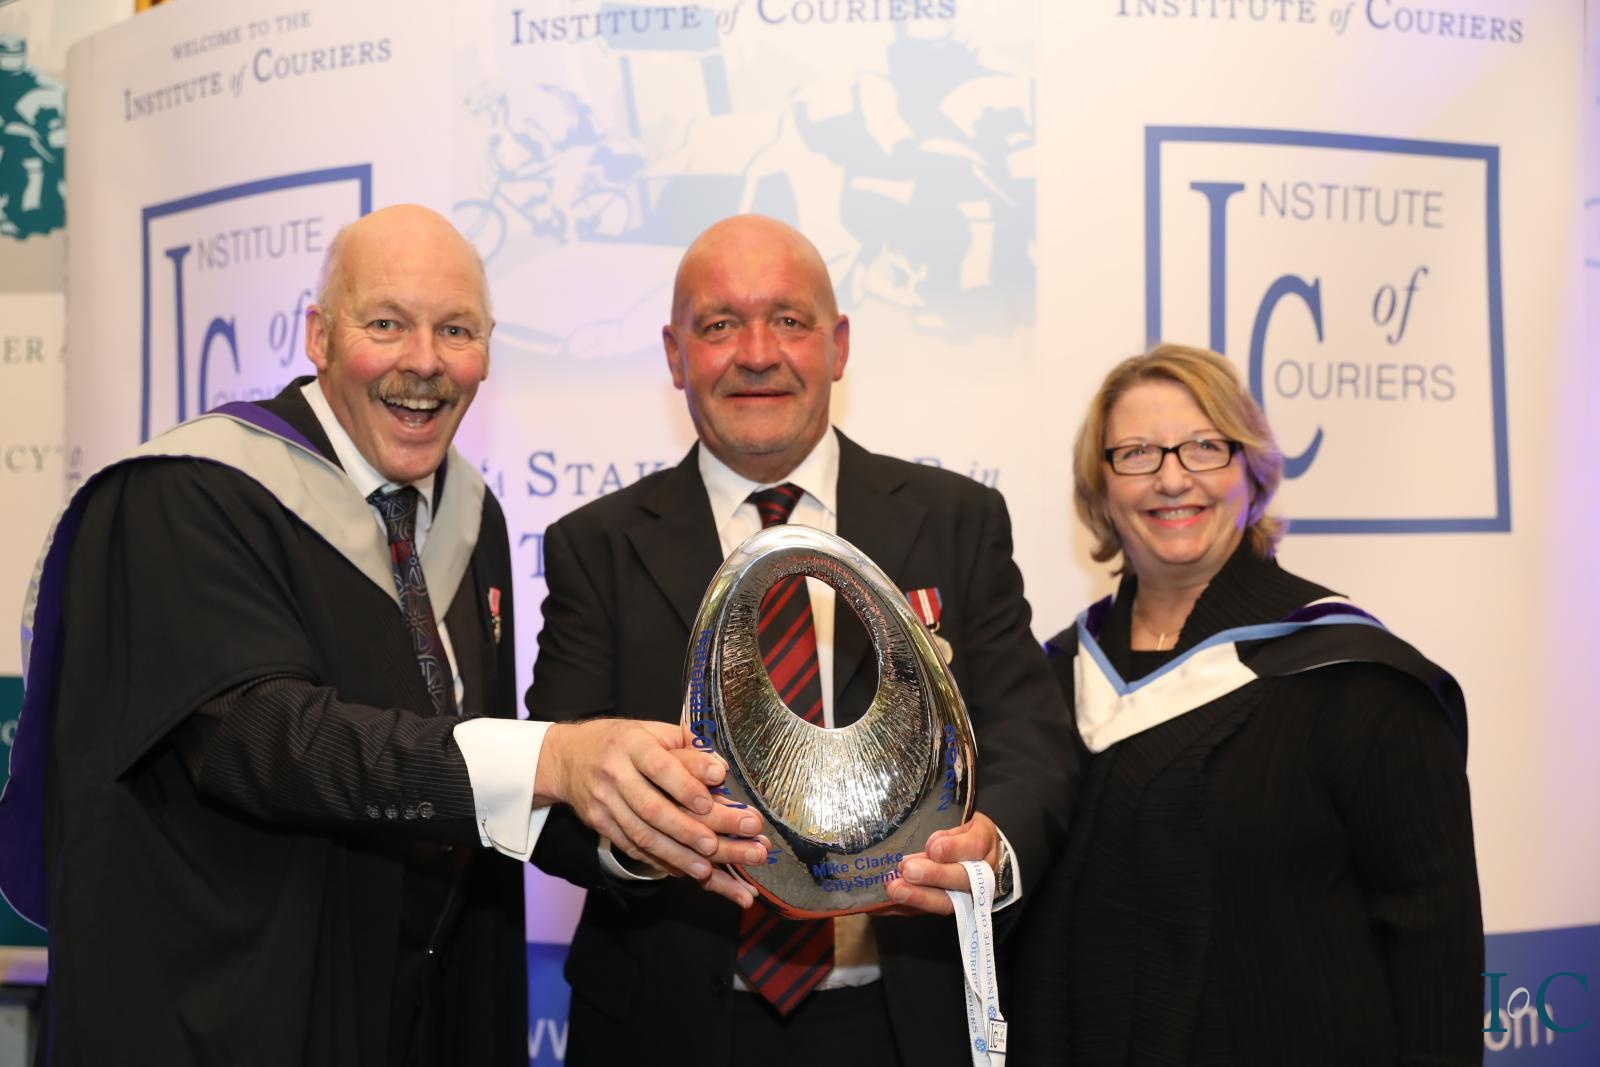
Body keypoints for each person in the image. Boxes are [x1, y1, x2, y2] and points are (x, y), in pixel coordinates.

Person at [0, 204, 756, 1066]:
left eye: (457, 330)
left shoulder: (471, 518)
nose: (425, 361)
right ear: (319, 336)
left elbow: (472, 783)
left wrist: (647, 823)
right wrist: (554, 758)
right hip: (239, 1015)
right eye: (387, 324)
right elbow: (268, 740)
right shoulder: (189, 498)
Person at [525, 213, 1075, 1065]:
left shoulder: (958, 520)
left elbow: (1031, 737)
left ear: (838, 345)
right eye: (719, 324)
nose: (757, 353)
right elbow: (555, 785)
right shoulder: (593, 546)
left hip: (904, 1020)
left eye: (788, 319)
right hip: (667, 1026)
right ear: (673, 354)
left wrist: (988, 849)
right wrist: (644, 834)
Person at [1008, 343, 1483, 1064]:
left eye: (1205, 447)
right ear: (1100, 489)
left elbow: (1432, 944)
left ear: (1252, 473)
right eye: (1136, 453)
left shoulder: (1356, 682)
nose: (1172, 477)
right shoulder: (1052, 678)